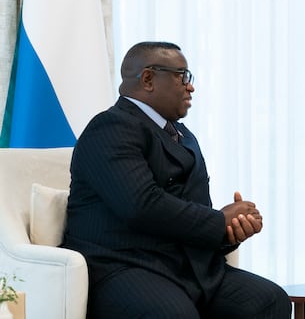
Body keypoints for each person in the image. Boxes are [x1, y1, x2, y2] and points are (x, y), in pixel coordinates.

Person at [62, 41, 291, 318]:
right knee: (173, 315)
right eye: (182, 76)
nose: (190, 86)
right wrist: (219, 221)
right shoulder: (111, 127)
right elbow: (142, 206)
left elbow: (196, 212)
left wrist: (230, 231)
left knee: (270, 300)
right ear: (148, 78)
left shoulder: (184, 136)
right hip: (126, 265)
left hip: (189, 268)